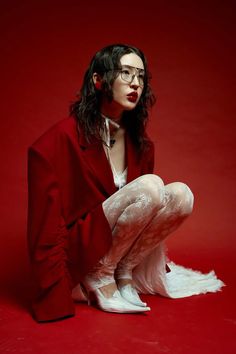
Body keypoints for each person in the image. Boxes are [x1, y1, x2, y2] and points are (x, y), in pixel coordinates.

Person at [27, 44, 224, 322]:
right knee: (151, 186)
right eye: (126, 73)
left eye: (141, 76)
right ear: (98, 80)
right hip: (81, 256)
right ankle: (98, 275)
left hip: (119, 255)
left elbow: (143, 216)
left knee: (182, 194)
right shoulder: (55, 143)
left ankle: (123, 273)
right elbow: (45, 228)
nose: (136, 83)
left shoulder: (141, 144)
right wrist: (53, 292)